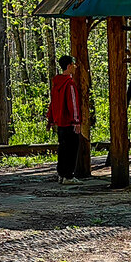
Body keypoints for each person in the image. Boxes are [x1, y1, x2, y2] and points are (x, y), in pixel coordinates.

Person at [46, 55, 81, 184]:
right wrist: (76, 121)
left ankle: (61, 174)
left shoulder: (56, 84)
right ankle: (69, 176)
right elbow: (73, 104)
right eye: (74, 64)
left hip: (60, 122)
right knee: (72, 148)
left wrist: (50, 119)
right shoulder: (69, 83)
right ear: (69, 66)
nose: (75, 67)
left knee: (63, 148)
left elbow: (53, 103)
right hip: (69, 122)